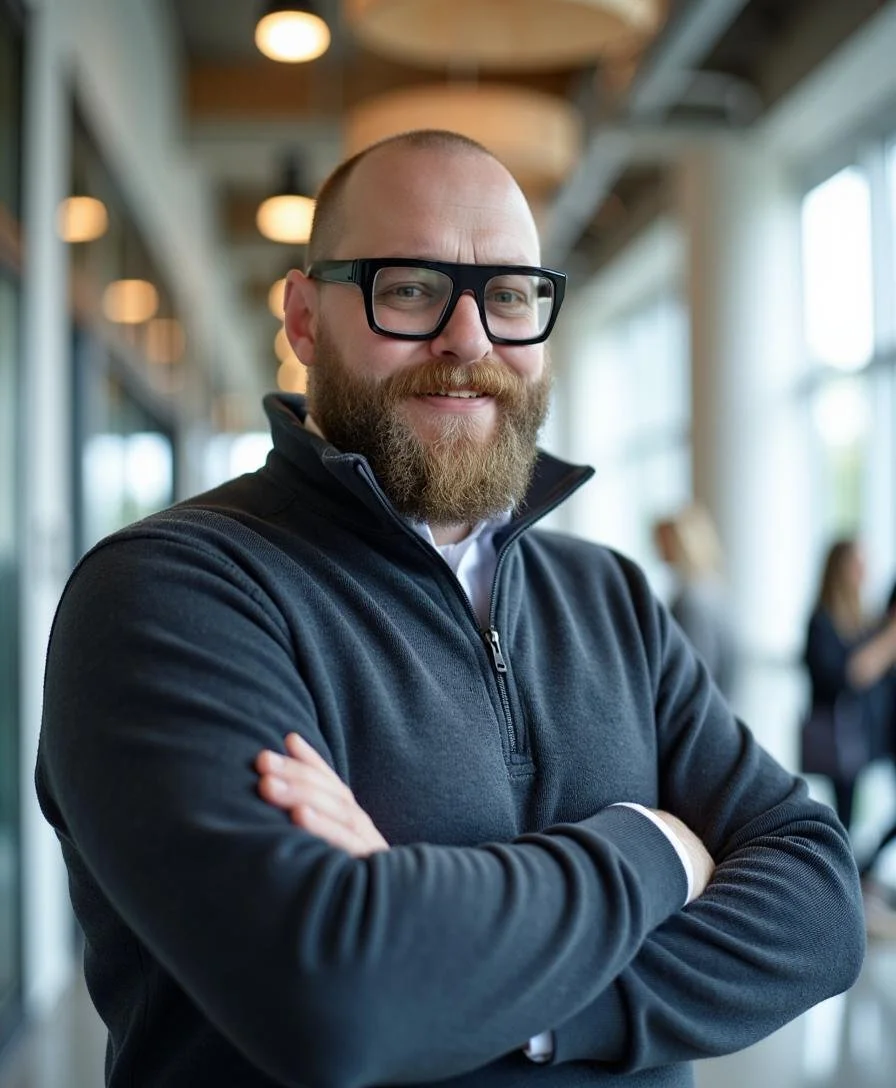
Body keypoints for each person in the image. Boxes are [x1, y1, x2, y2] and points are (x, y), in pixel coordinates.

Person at [36, 130, 863, 1088]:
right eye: (412, 288)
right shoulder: (172, 595)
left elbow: (818, 902)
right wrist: (658, 849)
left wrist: (503, 990)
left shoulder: (612, 599)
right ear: (305, 320)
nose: (469, 340)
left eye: (509, 296)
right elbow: (338, 995)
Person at [803, 539, 896, 834]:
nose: (863, 572)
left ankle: (860, 866)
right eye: (857, 564)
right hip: (839, 732)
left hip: (867, 729)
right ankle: (851, 870)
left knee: (852, 814)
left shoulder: (864, 620)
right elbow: (849, 674)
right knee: (845, 814)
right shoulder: (822, 622)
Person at [652, 503, 737, 699]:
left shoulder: (690, 602)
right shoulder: (712, 588)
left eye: (661, 541)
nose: (656, 548)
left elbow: (694, 672)